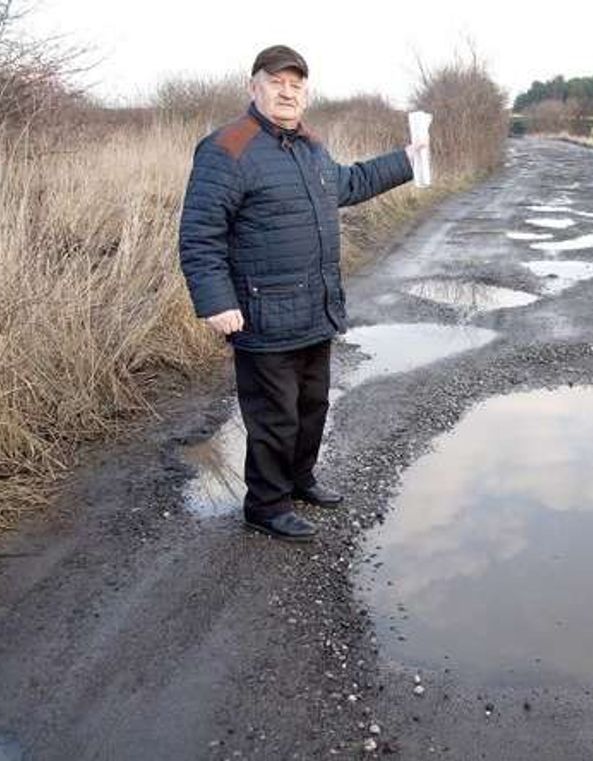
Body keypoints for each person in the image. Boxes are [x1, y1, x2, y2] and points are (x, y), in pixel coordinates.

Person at [179, 45, 421, 542]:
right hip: (262, 314)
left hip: (316, 308)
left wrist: (406, 161)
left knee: (312, 408)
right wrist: (217, 302)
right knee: (274, 417)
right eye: (276, 82)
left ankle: (299, 479)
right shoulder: (227, 148)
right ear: (254, 87)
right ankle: (265, 506)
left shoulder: (309, 145)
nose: (287, 92)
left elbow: (348, 184)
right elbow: (200, 234)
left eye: (296, 85)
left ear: (305, 94)